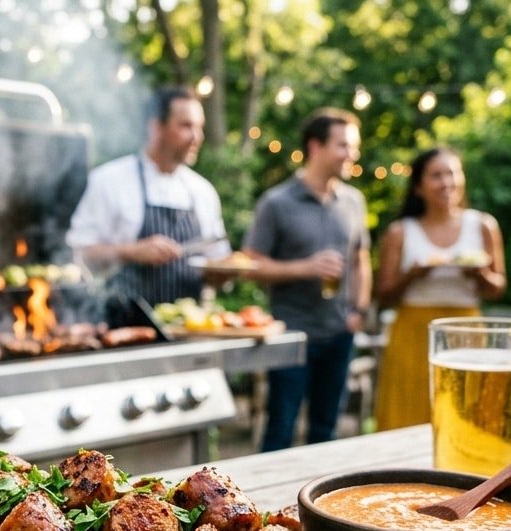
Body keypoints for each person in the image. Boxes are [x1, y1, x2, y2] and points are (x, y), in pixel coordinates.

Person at [243, 107, 372, 450]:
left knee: (326, 431)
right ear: (315, 147)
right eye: (343, 145)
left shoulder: (354, 201)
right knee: (281, 428)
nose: (352, 154)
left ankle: (315, 502)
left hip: (338, 333)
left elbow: (361, 260)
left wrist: (358, 311)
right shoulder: (276, 202)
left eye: (353, 147)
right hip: (290, 336)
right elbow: (250, 266)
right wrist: (306, 267)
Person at [373, 147, 506, 429]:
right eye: (436, 175)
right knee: (407, 416)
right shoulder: (400, 231)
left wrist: (479, 274)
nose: (446, 182)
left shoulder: (482, 225)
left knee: (466, 416)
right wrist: (413, 275)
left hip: (467, 331)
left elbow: (497, 287)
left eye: (452, 173)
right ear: (419, 187)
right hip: (413, 333)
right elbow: (383, 294)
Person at [65, 85, 227, 305]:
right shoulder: (110, 180)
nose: (197, 137)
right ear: (156, 127)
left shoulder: (203, 192)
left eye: (200, 127)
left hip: (191, 329)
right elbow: (78, 254)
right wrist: (132, 251)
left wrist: (224, 273)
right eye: (186, 126)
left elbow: (218, 261)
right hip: (125, 327)